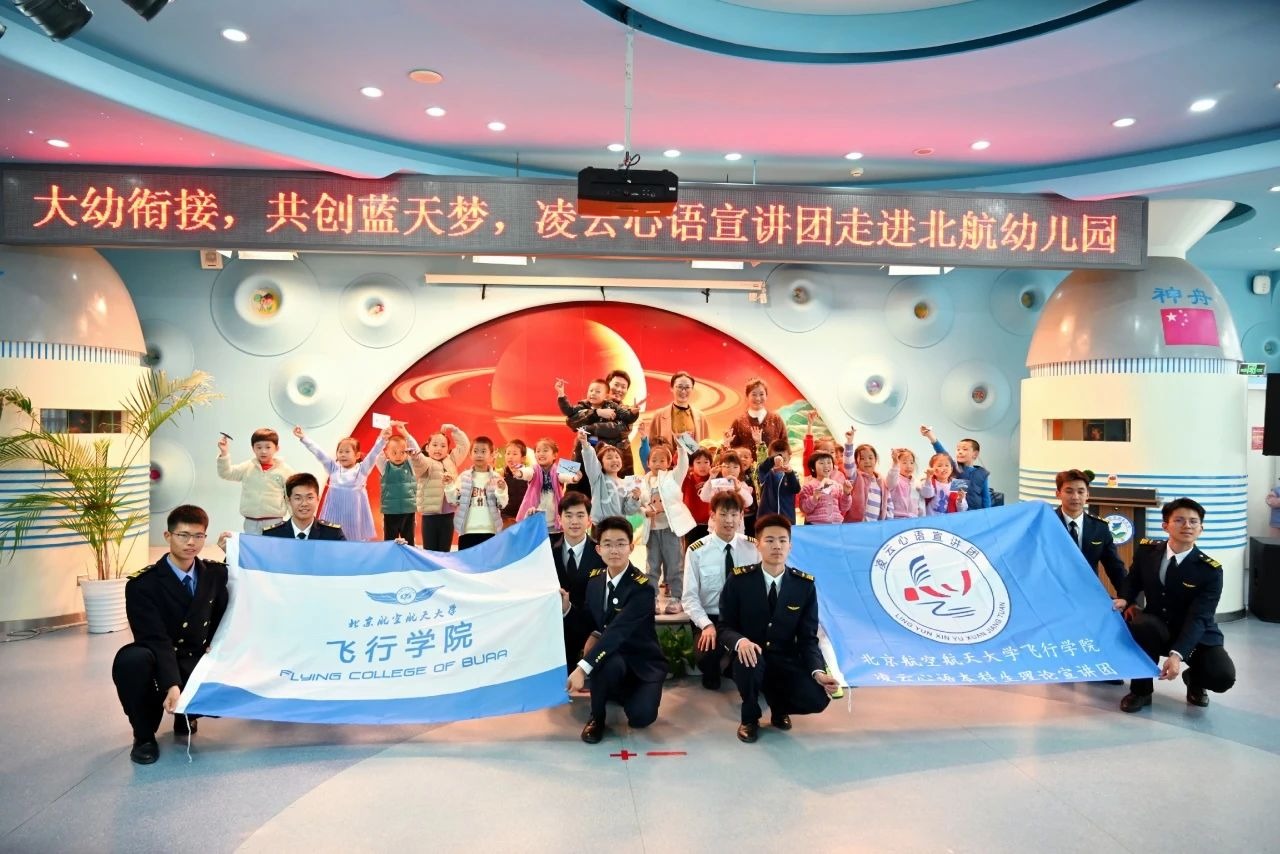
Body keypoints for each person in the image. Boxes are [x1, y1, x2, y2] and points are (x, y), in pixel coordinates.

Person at [112, 505, 229, 764]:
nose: (191, 543)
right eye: (183, 535)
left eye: (198, 536)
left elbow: (228, 609)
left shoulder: (215, 574)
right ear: (168, 536)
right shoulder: (143, 585)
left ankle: (186, 714)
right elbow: (155, 639)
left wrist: (232, 552)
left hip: (195, 657)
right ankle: (143, 736)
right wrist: (171, 684)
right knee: (131, 661)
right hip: (159, 658)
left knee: (227, 682)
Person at [719, 513, 839, 742]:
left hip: (784, 656)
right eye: (770, 540)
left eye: (783, 540)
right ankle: (749, 717)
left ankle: (779, 708)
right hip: (749, 655)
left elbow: (808, 638)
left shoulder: (803, 586)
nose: (777, 546)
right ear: (758, 545)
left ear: (790, 546)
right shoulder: (739, 581)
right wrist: (740, 642)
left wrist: (818, 672)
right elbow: (724, 627)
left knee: (817, 698)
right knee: (750, 661)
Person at [1113, 498, 1236, 713]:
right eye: (1179, 520)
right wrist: (1125, 599)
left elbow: (1199, 617)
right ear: (1165, 525)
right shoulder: (1147, 551)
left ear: (1201, 529)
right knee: (1141, 625)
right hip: (1158, 626)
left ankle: (1194, 680)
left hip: (1196, 634)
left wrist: (1177, 654)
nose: (1187, 526)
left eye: (1193, 521)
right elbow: (1133, 580)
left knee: (1222, 677)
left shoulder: (1210, 571)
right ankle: (1141, 691)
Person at [566, 515, 667, 744]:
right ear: (599, 549)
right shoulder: (595, 581)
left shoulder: (642, 588)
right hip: (612, 658)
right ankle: (597, 717)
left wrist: (582, 669)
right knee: (606, 660)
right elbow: (589, 621)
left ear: (631, 547)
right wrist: (567, 608)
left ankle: (620, 690)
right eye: (608, 544)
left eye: (621, 544)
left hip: (641, 663)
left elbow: (617, 632)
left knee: (641, 717)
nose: (614, 550)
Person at [682, 492, 759, 690]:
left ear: (741, 516)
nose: (729, 520)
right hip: (712, 617)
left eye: (734, 514)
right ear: (712, 516)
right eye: (723, 514)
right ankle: (716, 666)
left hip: (743, 617)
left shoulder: (753, 547)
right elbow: (689, 597)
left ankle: (732, 665)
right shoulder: (696, 550)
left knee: (758, 656)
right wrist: (706, 625)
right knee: (706, 656)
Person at [294, 425, 389, 541]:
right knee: (331, 537)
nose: (343, 454)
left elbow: (373, 454)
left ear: (357, 455)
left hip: (353, 515)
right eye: (340, 451)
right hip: (334, 513)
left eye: (347, 451)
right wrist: (303, 438)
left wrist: (382, 440)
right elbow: (319, 453)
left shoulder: (362, 470)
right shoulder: (333, 468)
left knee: (353, 540)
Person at [640, 441, 694, 613]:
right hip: (652, 530)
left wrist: (681, 448)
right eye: (654, 460)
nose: (658, 463)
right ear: (648, 463)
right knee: (652, 566)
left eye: (662, 460)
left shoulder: (673, 477)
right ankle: (652, 598)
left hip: (671, 529)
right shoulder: (642, 481)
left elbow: (683, 464)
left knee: (674, 565)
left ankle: (677, 598)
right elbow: (639, 504)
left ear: (669, 463)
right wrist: (645, 511)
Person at [552, 493, 604, 669]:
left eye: (580, 515)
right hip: (555, 635)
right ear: (559, 519)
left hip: (591, 634)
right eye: (568, 515)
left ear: (589, 520)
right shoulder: (548, 551)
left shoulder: (601, 554)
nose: (574, 521)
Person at [1055, 469, 1126, 592]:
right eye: (1069, 491)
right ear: (1058, 494)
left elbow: (1115, 568)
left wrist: (1127, 597)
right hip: (1054, 592)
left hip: (1088, 593)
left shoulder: (1100, 528)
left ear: (1087, 495)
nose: (1075, 497)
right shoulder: (1047, 523)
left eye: (1080, 491)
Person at [216, 428, 294, 533]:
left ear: (277, 448)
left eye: (268, 447)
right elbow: (226, 473)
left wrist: (295, 519)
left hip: (275, 521)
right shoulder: (247, 466)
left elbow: (291, 496)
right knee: (251, 543)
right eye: (259, 447)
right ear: (253, 448)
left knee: (273, 544)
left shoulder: (285, 470)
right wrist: (224, 453)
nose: (263, 451)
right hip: (250, 522)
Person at [410, 423, 470, 551]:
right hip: (429, 516)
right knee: (430, 550)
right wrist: (415, 456)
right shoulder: (426, 462)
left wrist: (455, 430)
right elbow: (418, 462)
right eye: (435, 445)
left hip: (448, 515)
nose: (439, 449)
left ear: (448, 449)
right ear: (427, 447)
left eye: (443, 446)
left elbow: (464, 446)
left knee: (444, 550)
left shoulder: (451, 460)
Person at [445, 436, 508, 549]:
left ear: (492, 455)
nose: (479, 455)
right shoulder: (463, 477)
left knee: (489, 561)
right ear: (470, 454)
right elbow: (453, 500)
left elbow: (502, 504)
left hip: (490, 531)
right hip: (467, 532)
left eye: (483, 451)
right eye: (475, 451)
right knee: (466, 561)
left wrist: (501, 490)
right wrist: (449, 486)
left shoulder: (497, 478)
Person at [921, 425, 992, 510]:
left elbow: (986, 498)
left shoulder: (982, 473)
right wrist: (930, 435)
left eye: (965, 449)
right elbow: (942, 452)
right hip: (958, 512)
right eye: (958, 449)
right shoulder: (956, 468)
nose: (960, 452)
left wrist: (988, 514)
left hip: (977, 512)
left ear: (975, 454)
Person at [262, 473, 346, 540]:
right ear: (288, 500)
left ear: (318, 499)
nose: (304, 504)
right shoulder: (271, 535)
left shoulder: (333, 534)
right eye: (298, 498)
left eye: (310, 498)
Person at [374, 425, 418, 544]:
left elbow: (416, 451)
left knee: (409, 542)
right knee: (389, 542)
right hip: (390, 512)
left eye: (402, 452)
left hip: (408, 511)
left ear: (407, 452)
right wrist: (382, 437)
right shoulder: (384, 466)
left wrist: (406, 434)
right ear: (386, 453)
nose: (398, 456)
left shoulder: (411, 464)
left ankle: (408, 556)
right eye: (394, 452)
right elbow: (376, 453)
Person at [648, 371, 710, 445]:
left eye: (687, 387)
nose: (683, 391)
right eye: (680, 387)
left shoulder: (701, 417)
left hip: (695, 453)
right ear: (671, 388)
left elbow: (707, 446)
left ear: (692, 389)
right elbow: (651, 445)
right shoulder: (659, 415)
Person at [726, 377, 788, 452]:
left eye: (761, 394)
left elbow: (785, 447)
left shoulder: (776, 419)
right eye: (754, 395)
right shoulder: (738, 422)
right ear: (747, 396)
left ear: (766, 396)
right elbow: (732, 451)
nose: (758, 398)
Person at [798, 450, 854, 524]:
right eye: (821, 463)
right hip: (815, 524)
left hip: (836, 524)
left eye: (829, 462)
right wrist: (814, 498)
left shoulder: (838, 486)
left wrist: (846, 494)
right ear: (812, 468)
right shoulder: (808, 486)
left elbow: (844, 508)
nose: (826, 466)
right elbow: (804, 508)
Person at [757, 438, 801, 523]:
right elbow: (762, 468)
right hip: (766, 520)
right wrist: (773, 459)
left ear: (789, 458)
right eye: (776, 460)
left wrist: (789, 473)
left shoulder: (793, 473)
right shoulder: (766, 473)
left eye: (783, 459)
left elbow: (795, 489)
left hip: (787, 519)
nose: (780, 463)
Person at [501, 439, 531, 529]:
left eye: (514, 454)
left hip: (523, 519)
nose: (510, 457)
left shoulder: (529, 474)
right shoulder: (502, 475)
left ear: (523, 459)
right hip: (505, 518)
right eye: (508, 453)